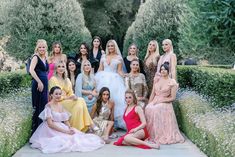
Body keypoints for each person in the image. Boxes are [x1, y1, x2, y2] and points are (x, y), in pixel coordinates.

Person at [29, 86, 104, 153]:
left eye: (59, 94)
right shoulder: (48, 106)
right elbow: (50, 124)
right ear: (51, 95)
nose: (58, 96)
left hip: (61, 126)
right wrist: (65, 131)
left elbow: (65, 120)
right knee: (63, 141)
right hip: (50, 129)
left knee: (75, 136)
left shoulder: (60, 105)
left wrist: (70, 128)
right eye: (56, 94)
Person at [49, 60, 94, 132]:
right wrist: (67, 97)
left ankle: (79, 128)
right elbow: (54, 96)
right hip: (59, 102)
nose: (61, 68)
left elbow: (71, 92)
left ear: (65, 68)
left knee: (80, 102)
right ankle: (89, 125)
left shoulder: (67, 79)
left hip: (67, 100)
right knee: (80, 101)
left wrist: (73, 96)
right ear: (56, 69)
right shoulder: (53, 79)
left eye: (63, 66)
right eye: (59, 67)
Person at [145, 63, 185, 145]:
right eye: (161, 69)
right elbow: (153, 93)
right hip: (155, 100)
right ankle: (150, 134)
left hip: (166, 101)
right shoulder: (157, 79)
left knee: (156, 109)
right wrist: (149, 104)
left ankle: (161, 134)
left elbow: (172, 98)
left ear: (168, 71)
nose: (163, 71)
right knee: (149, 108)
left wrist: (162, 100)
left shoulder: (172, 82)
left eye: (165, 69)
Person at [95, 39, 126, 129]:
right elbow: (100, 69)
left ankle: (114, 123)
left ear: (115, 47)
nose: (110, 47)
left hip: (114, 80)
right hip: (102, 78)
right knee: (101, 99)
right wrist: (94, 78)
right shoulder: (103, 56)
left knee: (114, 100)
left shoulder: (118, 57)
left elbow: (119, 71)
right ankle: (102, 121)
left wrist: (125, 76)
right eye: (109, 46)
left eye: (112, 46)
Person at [29, 39, 49, 133]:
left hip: (44, 84)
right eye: (40, 47)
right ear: (37, 48)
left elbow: (46, 72)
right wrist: (39, 82)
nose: (42, 49)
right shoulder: (35, 57)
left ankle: (41, 131)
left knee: (43, 106)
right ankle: (35, 132)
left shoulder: (45, 57)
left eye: (43, 47)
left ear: (46, 48)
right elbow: (31, 70)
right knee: (38, 107)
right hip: (38, 85)